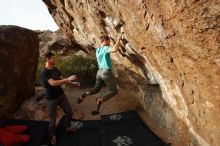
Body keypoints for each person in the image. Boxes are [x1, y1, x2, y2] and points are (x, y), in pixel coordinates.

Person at [41, 52, 80, 145]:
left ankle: (67, 126)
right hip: (51, 99)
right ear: (47, 59)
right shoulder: (44, 72)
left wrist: (72, 82)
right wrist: (67, 79)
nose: (55, 60)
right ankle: (52, 136)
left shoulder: (55, 69)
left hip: (61, 96)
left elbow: (63, 78)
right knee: (53, 120)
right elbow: (53, 83)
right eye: (53, 58)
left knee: (69, 113)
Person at [77, 34, 122, 115]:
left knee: (96, 89)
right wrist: (118, 39)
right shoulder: (105, 48)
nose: (109, 43)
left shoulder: (98, 50)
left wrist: (108, 37)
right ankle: (100, 100)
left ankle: (84, 94)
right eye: (109, 41)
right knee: (114, 91)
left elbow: (106, 43)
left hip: (99, 72)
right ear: (105, 41)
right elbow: (115, 49)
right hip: (106, 72)